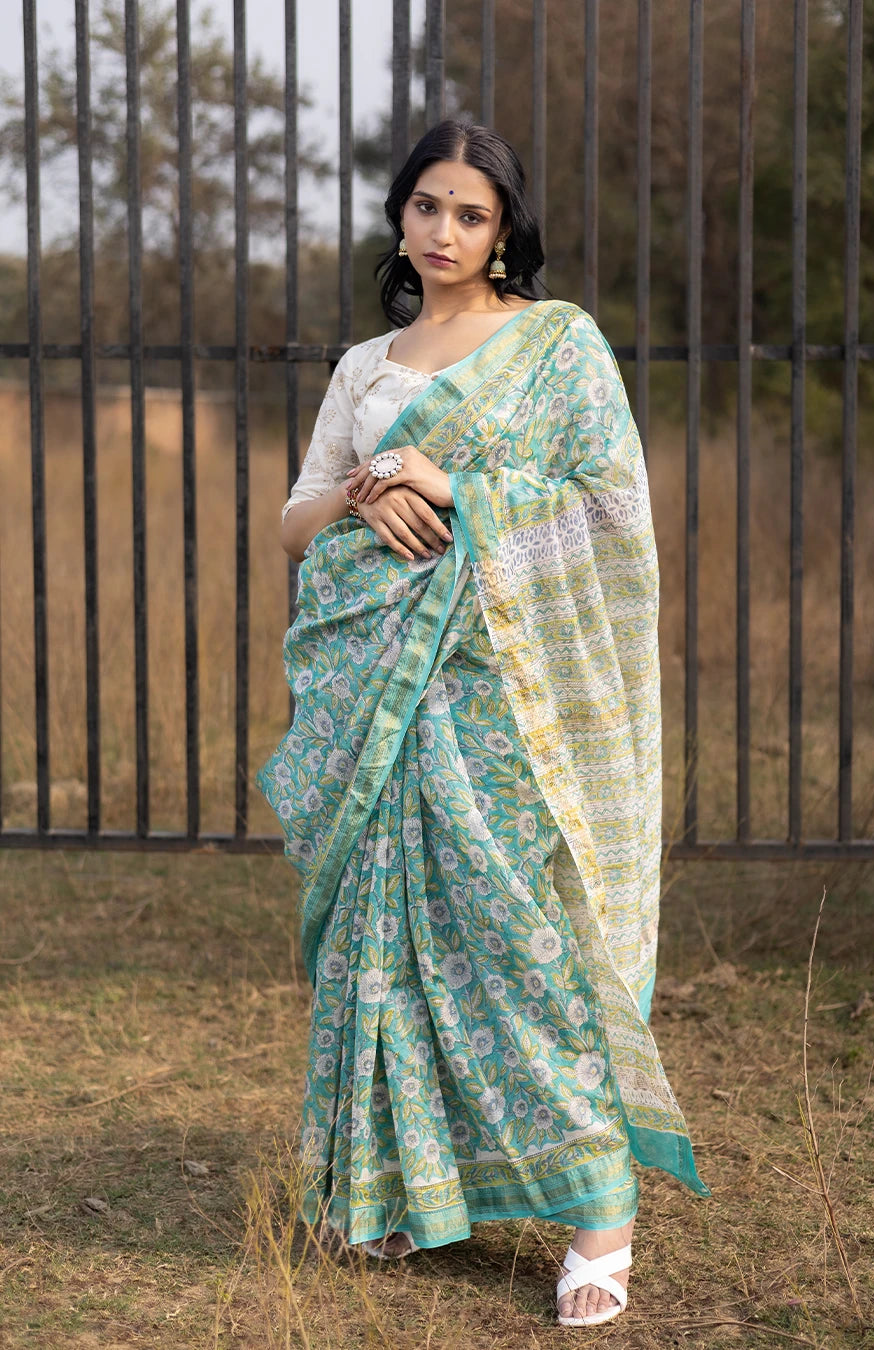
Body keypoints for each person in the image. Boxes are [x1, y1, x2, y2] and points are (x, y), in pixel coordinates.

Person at [258, 118, 706, 1329]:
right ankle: (409, 1184)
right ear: (399, 218)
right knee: (388, 936)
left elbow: (611, 509)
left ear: (504, 226)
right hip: (379, 692)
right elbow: (295, 522)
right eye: (426, 208)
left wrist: (458, 485)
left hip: (502, 693)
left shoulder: (555, 347)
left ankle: (601, 1207)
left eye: (471, 213)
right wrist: (363, 494)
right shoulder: (366, 366)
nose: (445, 232)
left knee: (518, 937)